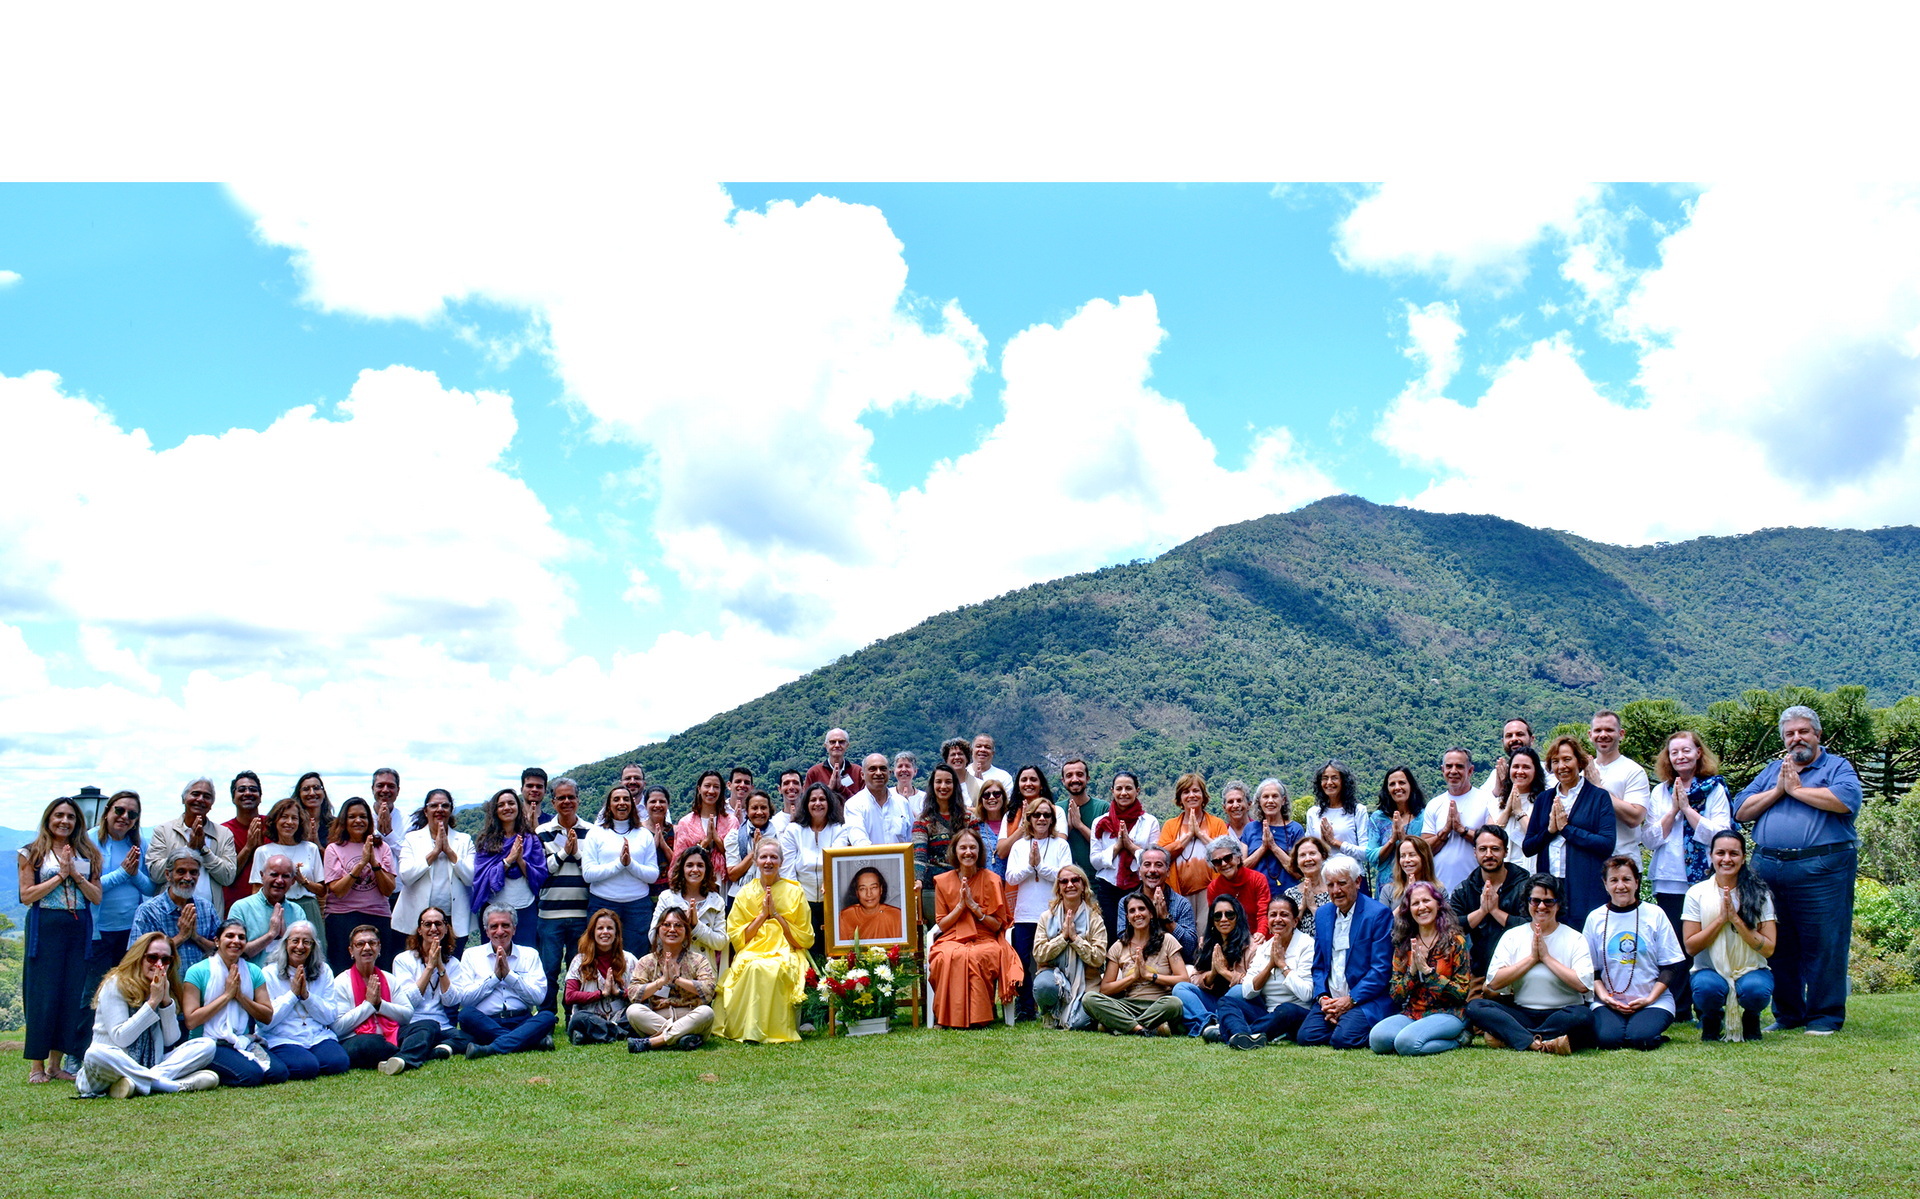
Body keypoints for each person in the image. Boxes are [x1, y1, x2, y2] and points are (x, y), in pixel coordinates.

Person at [1733, 704, 1859, 1035]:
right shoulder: (1774, 770)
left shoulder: (1836, 767)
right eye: (1790, 733)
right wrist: (1779, 789)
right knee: (1779, 943)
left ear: (1818, 735)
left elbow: (1846, 800)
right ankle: (1788, 1014)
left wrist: (1798, 791)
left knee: (1824, 943)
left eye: (1803, 731)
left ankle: (1824, 1016)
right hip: (1769, 869)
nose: (1796, 738)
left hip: (1822, 870)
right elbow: (1741, 809)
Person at [1643, 730, 1731, 1021]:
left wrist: (1688, 810)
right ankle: (1679, 1008)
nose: (1680, 756)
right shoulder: (1660, 791)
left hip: (1705, 878)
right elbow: (1650, 838)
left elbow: (1721, 835)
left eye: (1686, 750)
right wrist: (1672, 811)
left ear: (1698, 753)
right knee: (1675, 946)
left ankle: (1708, 1006)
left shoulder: (1714, 788)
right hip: (1669, 879)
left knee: (1705, 943)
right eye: (1674, 752)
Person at [18, 796, 103, 1083]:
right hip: (46, 926)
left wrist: (76, 875)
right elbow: (26, 895)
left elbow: (96, 896)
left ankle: (56, 1065)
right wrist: (59, 876)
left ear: (78, 822)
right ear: (48, 819)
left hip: (78, 927)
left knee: (70, 993)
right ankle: (37, 1066)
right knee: (43, 994)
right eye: (59, 815)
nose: (64, 821)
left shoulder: (88, 854)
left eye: (70, 816)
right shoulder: (32, 852)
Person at [75, 932, 219, 1097]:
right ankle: (169, 1085)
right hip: (109, 1069)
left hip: (150, 1064)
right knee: (95, 1053)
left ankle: (136, 1082)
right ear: (139, 958)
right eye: (152, 958)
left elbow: (171, 1039)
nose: (159, 965)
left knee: (207, 1045)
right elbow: (121, 1038)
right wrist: (152, 1003)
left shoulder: (163, 985)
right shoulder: (115, 984)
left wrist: (165, 1001)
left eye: (166, 960)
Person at [1465, 874, 1594, 1054]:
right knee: (1475, 1007)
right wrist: (1532, 959)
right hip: (1522, 1013)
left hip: (1562, 1013)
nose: (1541, 907)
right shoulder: (1513, 936)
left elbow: (1583, 985)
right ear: (1527, 903)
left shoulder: (1574, 938)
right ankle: (1542, 1042)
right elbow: (1493, 982)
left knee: (1584, 1016)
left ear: (1558, 904)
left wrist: (1546, 958)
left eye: (1548, 901)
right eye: (1535, 901)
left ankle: (1518, 1038)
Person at [80, 790, 156, 1063]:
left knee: (127, 990)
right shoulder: (88, 841)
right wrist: (124, 873)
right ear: (107, 811)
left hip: (129, 932)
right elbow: (89, 887)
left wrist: (132, 874)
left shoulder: (139, 844)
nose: (125, 817)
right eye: (120, 811)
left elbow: (149, 887)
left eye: (132, 814)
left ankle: (125, 1050)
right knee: (92, 992)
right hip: (98, 931)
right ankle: (80, 1052)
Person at [713, 839, 814, 1043]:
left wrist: (775, 914)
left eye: (774, 857)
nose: (768, 861)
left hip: (785, 949)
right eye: (764, 857)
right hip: (753, 949)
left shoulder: (795, 892)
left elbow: (804, 938)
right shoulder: (745, 893)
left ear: (781, 862)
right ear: (756, 861)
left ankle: (771, 1030)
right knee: (753, 967)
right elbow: (738, 938)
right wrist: (762, 915)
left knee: (772, 968)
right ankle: (748, 1029)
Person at [1683, 829, 1779, 1042]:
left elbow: (1768, 949)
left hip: (1751, 970)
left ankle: (1751, 1018)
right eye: (1720, 853)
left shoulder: (1759, 894)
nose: (1726, 859)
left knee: (1756, 991)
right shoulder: (1696, 893)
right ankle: (1711, 1018)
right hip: (1710, 970)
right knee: (1706, 989)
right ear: (1711, 856)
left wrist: (1736, 920)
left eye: (1733, 853)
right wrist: (1720, 920)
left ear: (1743, 858)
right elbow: (1691, 947)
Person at [1584, 856, 1687, 1051]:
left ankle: (1642, 1029)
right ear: (1605, 884)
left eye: (1627, 879)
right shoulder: (1595, 918)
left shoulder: (1655, 914)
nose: (1621, 886)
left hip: (1653, 1000)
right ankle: (1621, 1027)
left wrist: (1649, 999)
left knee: (1641, 1039)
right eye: (1614, 880)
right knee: (1608, 1040)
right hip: (1608, 1001)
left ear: (1637, 882)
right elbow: (1591, 969)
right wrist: (1605, 997)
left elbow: (1671, 967)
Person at [1297, 855, 1394, 1049]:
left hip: (1364, 999)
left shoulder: (1378, 914)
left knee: (1343, 1040)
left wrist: (1350, 1000)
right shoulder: (1323, 914)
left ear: (1357, 882)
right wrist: (1323, 998)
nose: (1336, 891)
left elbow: (1381, 969)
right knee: (1306, 1036)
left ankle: (1354, 1027)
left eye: (1342, 883)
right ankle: (1342, 1022)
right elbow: (1318, 966)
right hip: (1331, 999)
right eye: (1330, 885)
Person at [927, 826, 1020, 1029]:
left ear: (979, 851)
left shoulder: (992, 880)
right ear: (955, 851)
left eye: (972, 847)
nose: (968, 852)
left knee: (976, 955)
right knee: (945, 956)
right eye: (963, 848)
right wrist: (961, 906)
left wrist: (975, 909)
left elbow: (997, 924)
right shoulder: (943, 881)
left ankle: (980, 1017)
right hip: (951, 937)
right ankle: (946, 1017)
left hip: (985, 937)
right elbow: (942, 924)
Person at [1369, 881, 1472, 1055]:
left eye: (1426, 901)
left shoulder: (1455, 941)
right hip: (1413, 1012)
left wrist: (1428, 973)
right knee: (1378, 1039)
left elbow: (1461, 993)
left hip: (1449, 1013)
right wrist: (1412, 973)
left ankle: (1459, 1039)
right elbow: (1396, 995)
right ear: (1408, 910)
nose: (1422, 907)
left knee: (1406, 1044)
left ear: (1438, 904)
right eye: (1415, 903)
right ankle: (1417, 1034)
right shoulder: (1404, 943)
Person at [1523, 735, 1617, 926]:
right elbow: (1528, 847)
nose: (1561, 766)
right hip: (1550, 889)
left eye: (1567, 759)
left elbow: (1607, 844)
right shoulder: (1544, 799)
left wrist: (1566, 829)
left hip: (1585, 887)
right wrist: (1550, 831)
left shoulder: (1599, 797)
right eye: (1555, 761)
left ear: (1579, 762)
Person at [181, 919, 287, 1086]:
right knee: (251, 1076)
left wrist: (240, 996)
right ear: (217, 941)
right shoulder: (197, 971)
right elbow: (191, 1021)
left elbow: (267, 1016)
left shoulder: (253, 971)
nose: (236, 941)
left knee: (278, 1073)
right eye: (230, 936)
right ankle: (201, 1066)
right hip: (209, 1042)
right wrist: (227, 995)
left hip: (242, 1039)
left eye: (241, 937)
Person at [455, 904, 557, 1058]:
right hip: (486, 1022)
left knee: (547, 1016)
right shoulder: (471, 955)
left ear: (514, 929)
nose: (500, 931)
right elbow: (465, 1000)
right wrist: (495, 978)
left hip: (521, 1020)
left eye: (505, 925)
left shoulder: (529, 955)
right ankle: (528, 1041)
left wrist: (510, 976)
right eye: (494, 926)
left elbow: (538, 998)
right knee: (465, 1015)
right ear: (486, 931)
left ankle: (490, 1049)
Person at [1215, 895, 1312, 1049]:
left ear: (1295, 921)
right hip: (1267, 1014)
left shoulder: (1307, 945)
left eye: (1284, 915)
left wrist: (1282, 965)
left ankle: (1234, 1033)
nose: (1278, 919)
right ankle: (1242, 1036)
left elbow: (1306, 994)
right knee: (1226, 1001)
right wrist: (1270, 966)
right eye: (1273, 915)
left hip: (1297, 1013)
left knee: (1286, 1010)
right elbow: (1247, 992)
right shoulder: (1264, 949)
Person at [1084, 893, 1187, 1035]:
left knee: (1175, 1004)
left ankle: (1120, 1025)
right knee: (1089, 999)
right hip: (1128, 1005)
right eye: (1132, 911)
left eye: (1141, 909)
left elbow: (1184, 979)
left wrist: (1149, 975)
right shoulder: (1119, 946)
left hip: (1158, 1004)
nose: (1137, 914)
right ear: (1127, 918)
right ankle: (1144, 1029)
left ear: (1151, 914)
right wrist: (1133, 977)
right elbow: (1105, 989)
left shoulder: (1167, 940)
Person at [383, 905, 471, 1073]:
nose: (433, 928)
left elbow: (451, 1001)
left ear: (446, 928)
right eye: (427, 924)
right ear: (419, 930)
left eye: (438, 924)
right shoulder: (403, 960)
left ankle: (438, 1051)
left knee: (468, 1038)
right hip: (413, 1025)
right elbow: (408, 1000)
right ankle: (404, 1060)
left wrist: (440, 966)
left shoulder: (453, 963)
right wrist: (430, 967)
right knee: (428, 1027)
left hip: (442, 1026)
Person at [1004, 799, 1070, 1020]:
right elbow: (1011, 877)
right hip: (1025, 914)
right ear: (1029, 819)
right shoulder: (1019, 846)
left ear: (1052, 820)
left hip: (1053, 913)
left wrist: (1040, 866)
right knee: (1022, 961)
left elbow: (1065, 876)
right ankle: (1026, 1007)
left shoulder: (1061, 845)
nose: (1041, 819)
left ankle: (1054, 1004)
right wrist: (1030, 866)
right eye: (1037, 815)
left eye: (1046, 815)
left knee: (1053, 959)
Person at [394, 789, 475, 960]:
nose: (440, 809)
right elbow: (406, 877)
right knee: (418, 964)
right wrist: (434, 852)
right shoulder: (412, 839)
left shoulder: (464, 840)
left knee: (451, 964)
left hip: (453, 919)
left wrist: (450, 852)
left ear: (451, 810)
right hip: (417, 918)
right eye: (434, 806)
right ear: (426, 811)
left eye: (445, 805)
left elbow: (470, 878)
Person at [535, 777, 594, 1011]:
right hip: (550, 914)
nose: (567, 801)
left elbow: (592, 872)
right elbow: (539, 872)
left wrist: (575, 853)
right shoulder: (542, 832)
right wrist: (562, 854)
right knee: (548, 969)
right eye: (561, 798)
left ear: (578, 800)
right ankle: (546, 1017)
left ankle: (573, 1016)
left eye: (571, 797)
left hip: (581, 913)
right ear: (553, 802)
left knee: (576, 970)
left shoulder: (591, 832)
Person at [260, 921, 347, 1081]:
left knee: (338, 1062)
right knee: (306, 1067)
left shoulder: (324, 971)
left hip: (316, 1036)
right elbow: (266, 1022)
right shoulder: (269, 973)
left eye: (306, 942)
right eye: (295, 941)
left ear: (313, 946)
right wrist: (293, 995)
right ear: (285, 943)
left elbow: (330, 1017)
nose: (300, 947)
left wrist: (307, 996)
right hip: (283, 1037)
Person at [1447, 825, 1532, 987]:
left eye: (1495, 849)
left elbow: (1532, 927)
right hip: (1480, 973)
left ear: (1506, 852)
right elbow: (1450, 928)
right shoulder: (1465, 889)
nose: (1488, 855)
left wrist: (1495, 911)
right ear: (1475, 852)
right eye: (1483, 849)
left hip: (1520, 972)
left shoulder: (1526, 886)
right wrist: (1482, 912)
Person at [625, 906, 717, 1052]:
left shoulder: (698, 960)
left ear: (686, 931)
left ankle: (655, 1041)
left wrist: (676, 979)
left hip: (690, 1016)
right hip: (658, 1018)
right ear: (658, 931)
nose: (672, 930)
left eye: (678, 925)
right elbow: (633, 994)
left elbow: (708, 990)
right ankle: (683, 1038)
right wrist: (661, 982)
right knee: (633, 1011)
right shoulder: (647, 961)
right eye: (666, 925)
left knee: (706, 1012)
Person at [322, 797, 397, 973]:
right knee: (343, 971)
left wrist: (374, 864)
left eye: (363, 816)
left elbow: (388, 889)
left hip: (377, 914)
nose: (358, 821)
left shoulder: (382, 848)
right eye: (352, 816)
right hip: (342, 916)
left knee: (380, 970)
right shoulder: (334, 849)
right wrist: (361, 864)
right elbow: (338, 890)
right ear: (344, 820)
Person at [144, 778, 237, 919]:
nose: (200, 799)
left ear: (211, 804)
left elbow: (228, 877)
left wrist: (204, 850)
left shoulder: (223, 834)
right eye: (195, 794)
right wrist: (188, 849)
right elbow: (156, 874)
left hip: (208, 916)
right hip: (169, 915)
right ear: (183, 799)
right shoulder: (163, 831)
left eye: (207, 796)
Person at [585, 785, 661, 957]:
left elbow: (652, 875)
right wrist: (619, 864)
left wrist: (630, 864)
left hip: (637, 906)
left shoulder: (644, 835)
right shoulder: (595, 833)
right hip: (603, 903)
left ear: (632, 805)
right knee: (600, 956)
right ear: (608, 805)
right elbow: (588, 874)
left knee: (636, 957)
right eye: (616, 799)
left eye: (626, 799)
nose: (621, 803)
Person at [326, 924, 414, 1070]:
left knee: (427, 1026)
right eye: (360, 944)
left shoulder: (389, 978)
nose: (367, 948)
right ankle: (410, 1054)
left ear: (379, 948)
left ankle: (399, 1059)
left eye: (372, 943)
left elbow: (407, 1015)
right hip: (357, 1038)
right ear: (351, 951)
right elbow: (338, 1028)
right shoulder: (341, 982)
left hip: (391, 1033)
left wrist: (380, 1005)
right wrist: (369, 1005)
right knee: (369, 1043)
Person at [1031, 864, 1108, 1030]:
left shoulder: (1095, 919)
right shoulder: (1046, 917)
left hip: (1087, 982)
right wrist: (1063, 938)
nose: (1070, 885)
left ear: (1083, 886)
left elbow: (1098, 958)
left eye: (1075, 880)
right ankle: (1050, 1013)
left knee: (1078, 1024)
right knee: (1043, 986)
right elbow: (1039, 954)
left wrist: (1075, 939)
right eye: (1064, 881)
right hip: (1054, 978)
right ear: (1058, 888)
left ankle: (1068, 1014)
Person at [252, 797, 327, 961]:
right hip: (275, 908)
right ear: (275, 821)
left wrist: (302, 880)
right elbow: (256, 889)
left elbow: (322, 890)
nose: (289, 822)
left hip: (307, 906)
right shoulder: (263, 851)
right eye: (284, 817)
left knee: (312, 957)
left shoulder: (310, 848)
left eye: (294, 818)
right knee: (274, 957)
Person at [472, 788, 547, 949]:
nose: (507, 807)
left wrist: (520, 860)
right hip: (493, 909)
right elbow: (482, 876)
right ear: (495, 810)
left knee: (525, 955)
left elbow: (540, 875)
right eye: (501, 805)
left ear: (518, 807)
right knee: (493, 956)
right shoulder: (486, 842)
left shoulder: (531, 839)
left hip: (525, 907)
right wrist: (508, 860)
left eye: (511, 803)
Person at [782, 782, 850, 952]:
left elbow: (836, 860)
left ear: (829, 803)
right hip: (802, 900)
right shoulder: (793, 830)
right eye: (813, 800)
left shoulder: (840, 829)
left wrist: (829, 886)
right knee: (807, 948)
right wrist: (797, 900)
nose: (817, 803)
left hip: (833, 899)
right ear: (806, 804)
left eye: (822, 799)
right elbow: (787, 870)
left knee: (832, 950)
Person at [130, 849, 221, 975]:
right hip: (164, 983)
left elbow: (220, 949)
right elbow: (136, 956)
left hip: (203, 983)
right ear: (168, 875)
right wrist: (181, 936)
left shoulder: (206, 907)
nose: (188, 878)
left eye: (193, 872)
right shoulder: (149, 911)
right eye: (181, 872)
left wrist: (196, 937)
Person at [1175, 894, 1253, 1037]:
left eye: (1229, 914)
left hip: (1237, 1004)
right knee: (1180, 988)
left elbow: (1252, 984)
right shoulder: (1207, 944)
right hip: (1212, 1002)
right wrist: (1212, 974)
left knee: (1238, 990)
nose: (1223, 919)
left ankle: (1211, 1022)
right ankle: (1208, 1024)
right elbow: (1194, 978)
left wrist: (1224, 972)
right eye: (1217, 916)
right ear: (1212, 921)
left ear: (1238, 917)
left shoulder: (1251, 946)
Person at [562, 909, 641, 1044]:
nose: (605, 932)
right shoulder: (580, 961)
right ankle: (619, 1033)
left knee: (639, 1011)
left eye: (609, 928)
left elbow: (640, 993)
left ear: (616, 933)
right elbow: (569, 996)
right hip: (590, 1017)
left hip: (621, 1017)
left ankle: (592, 1035)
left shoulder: (630, 959)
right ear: (592, 932)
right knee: (578, 1018)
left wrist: (619, 992)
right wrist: (601, 994)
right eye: (600, 928)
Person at [651, 845, 730, 979]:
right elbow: (653, 936)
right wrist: (681, 925)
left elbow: (721, 943)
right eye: (689, 865)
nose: (695, 870)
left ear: (706, 870)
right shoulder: (667, 898)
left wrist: (696, 926)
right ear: (682, 869)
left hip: (703, 973)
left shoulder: (716, 901)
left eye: (700, 865)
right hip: (669, 970)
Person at [1157, 773, 1229, 910]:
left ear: (1203, 795)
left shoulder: (1217, 823)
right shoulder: (1170, 825)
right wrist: (1189, 835)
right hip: (1177, 894)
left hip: (1210, 892)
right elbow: (1161, 856)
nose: (1191, 795)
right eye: (1186, 792)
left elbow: (1226, 855)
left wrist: (1200, 834)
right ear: (1180, 798)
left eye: (1196, 791)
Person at [1423, 749, 1492, 892]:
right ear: (1443, 770)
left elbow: (1492, 843)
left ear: (1470, 770)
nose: (1453, 771)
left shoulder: (1486, 801)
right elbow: (1424, 850)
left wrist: (1462, 830)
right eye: (1449, 766)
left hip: (1476, 888)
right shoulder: (1434, 804)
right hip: (1440, 889)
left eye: (1459, 766)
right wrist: (1445, 831)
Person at [909, 766, 968, 926]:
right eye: (938, 782)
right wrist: (918, 880)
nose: (943, 786)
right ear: (932, 785)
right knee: (938, 931)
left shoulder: (968, 819)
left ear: (955, 786)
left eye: (948, 782)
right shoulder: (923, 821)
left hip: (964, 884)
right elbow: (919, 853)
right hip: (933, 886)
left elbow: (977, 852)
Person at [1589, 710, 1651, 856]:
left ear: (1621, 734)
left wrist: (1598, 788)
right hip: (1589, 858)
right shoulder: (1583, 771)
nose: (1603, 735)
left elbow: (1635, 818)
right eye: (1598, 730)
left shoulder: (1633, 771)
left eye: (1609, 730)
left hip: (1623, 859)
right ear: (1590, 735)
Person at [1127, 846, 1198, 962]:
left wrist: (1166, 918)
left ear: (1168, 871)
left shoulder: (1182, 904)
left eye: (1158, 865)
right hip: (1136, 961)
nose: (1152, 870)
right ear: (1139, 871)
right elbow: (1123, 941)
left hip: (1174, 963)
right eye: (1147, 865)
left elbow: (1190, 947)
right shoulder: (1127, 903)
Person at [228, 854, 300, 964]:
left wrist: (285, 936)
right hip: (251, 974)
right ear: (262, 876)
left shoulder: (297, 911)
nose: (279, 880)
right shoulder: (241, 908)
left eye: (285, 876)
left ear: (293, 881)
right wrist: (271, 935)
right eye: (274, 875)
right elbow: (233, 953)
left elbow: (304, 954)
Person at [1367, 767, 1427, 897]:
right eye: (1392, 784)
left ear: (1411, 786)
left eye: (1402, 782)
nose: (1397, 787)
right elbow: (1372, 856)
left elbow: (1427, 853)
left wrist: (1404, 837)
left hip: (1419, 884)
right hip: (1386, 888)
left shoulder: (1423, 816)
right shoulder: (1378, 818)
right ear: (1387, 790)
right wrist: (1393, 839)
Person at [1302, 760, 1370, 868]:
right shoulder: (1313, 813)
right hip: (1322, 875)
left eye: (1334, 778)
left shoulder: (1358, 811)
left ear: (1344, 781)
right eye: (1325, 778)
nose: (1329, 782)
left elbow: (1366, 853)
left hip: (1351, 874)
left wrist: (1335, 842)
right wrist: (1322, 845)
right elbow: (1308, 850)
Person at [1241, 779, 1303, 891]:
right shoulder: (1250, 828)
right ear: (1259, 801)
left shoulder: (1295, 829)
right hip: (1256, 894)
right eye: (1265, 797)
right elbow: (1241, 869)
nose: (1270, 801)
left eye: (1275, 796)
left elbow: (1299, 873)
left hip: (1289, 896)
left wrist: (1273, 846)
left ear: (1283, 800)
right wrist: (1263, 847)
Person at [1489, 746, 1544, 875]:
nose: (1520, 771)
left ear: (1535, 771)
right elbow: (1490, 838)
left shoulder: (1544, 801)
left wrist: (1519, 812)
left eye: (1526, 767)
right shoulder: (1496, 803)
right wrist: (1507, 810)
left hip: (1532, 873)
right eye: (1515, 767)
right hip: (1502, 874)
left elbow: (1539, 837)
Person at [1204, 834, 1271, 938]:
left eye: (1228, 858)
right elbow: (1216, 919)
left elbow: (1263, 912)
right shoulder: (1213, 887)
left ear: (1238, 858)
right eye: (1217, 861)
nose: (1224, 864)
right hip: (1230, 939)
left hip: (1257, 936)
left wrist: (1260, 933)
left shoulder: (1257, 879)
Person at [845, 752, 915, 848]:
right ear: (862, 775)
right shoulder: (853, 805)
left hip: (902, 858)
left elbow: (912, 840)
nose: (878, 773)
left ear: (889, 773)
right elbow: (859, 841)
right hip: (868, 857)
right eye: (872, 769)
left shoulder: (902, 803)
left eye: (883, 769)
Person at [673, 771, 736, 875]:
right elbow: (680, 860)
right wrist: (706, 841)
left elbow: (736, 859)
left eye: (716, 787)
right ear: (699, 789)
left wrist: (717, 840)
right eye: (707, 786)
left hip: (725, 880)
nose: (711, 791)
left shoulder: (731, 821)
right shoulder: (686, 823)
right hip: (695, 878)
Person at [222, 771, 267, 915]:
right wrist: (248, 847)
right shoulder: (223, 831)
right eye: (241, 790)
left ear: (260, 797)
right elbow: (226, 876)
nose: (247, 793)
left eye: (253, 789)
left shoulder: (274, 825)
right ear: (233, 798)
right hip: (234, 908)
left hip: (270, 907)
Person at [725, 791, 783, 901]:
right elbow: (733, 875)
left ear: (769, 811)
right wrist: (754, 851)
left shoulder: (779, 837)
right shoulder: (735, 836)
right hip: (740, 897)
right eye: (754, 808)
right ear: (747, 811)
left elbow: (783, 870)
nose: (759, 812)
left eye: (763, 808)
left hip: (774, 895)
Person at [1058, 757, 1107, 886]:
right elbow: (1052, 846)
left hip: (1098, 882)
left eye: (1079, 774)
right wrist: (1068, 827)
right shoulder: (1056, 810)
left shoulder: (1103, 808)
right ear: (1063, 781)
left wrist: (1079, 825)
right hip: (1066, 884)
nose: (1075, 779)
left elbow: (1106, 847)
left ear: (1087, 778)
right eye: (1069, 775)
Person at [1283, 836, 1333, 938]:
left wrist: (1313, 906)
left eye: (1312, 853)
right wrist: (1302, 907)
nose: (1308, 859)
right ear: (1297, 862)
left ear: (1323, 856)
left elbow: (1337, 927)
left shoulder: (1334, 890)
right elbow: (1285, 931)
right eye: (1302, 855)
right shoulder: (1290, 894)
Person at [838, 865, 906, 941]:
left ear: (881, 889)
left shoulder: (897, 916)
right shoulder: (845, 916)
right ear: (857, 892)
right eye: (863, 889)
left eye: (873, 887)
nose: (869, 894)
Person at [972, 778, 1015, 879]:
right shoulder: (975, 826)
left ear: (1003, 797)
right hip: (984, 882)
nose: (991, 798)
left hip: (1011, 882)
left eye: (996, 794)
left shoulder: (1013, 824)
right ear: (981, 800)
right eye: (986, 795)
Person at [1379, 834, 1438, 909]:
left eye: (1412, 855)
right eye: (1402, 856)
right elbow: (1385, 917)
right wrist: (1408, 895)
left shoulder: (1438, 890)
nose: (1406, 860)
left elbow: (1445, 916)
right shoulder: (1388, 890)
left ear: (1424, 858)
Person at [806, 728, 865, 801]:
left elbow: (864, 802)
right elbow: (807, 802)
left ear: (847, 745)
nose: (837, 745)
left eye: (841, 742)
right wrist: (829, 788)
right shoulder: (814, 773)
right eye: (832, 742)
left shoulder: (858, 772)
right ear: (826, 746)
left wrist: (841, 788)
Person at [964, 733, 1014, 809]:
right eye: (978, 746)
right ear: (972, 751)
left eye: (987, 747)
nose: (982, 750)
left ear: (992, 753)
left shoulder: (1004, 777)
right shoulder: (961, 774)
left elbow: (1007, 806)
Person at [891, 751, 925, 817]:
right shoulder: (887, 795)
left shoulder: (924, 798)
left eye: (907, 766)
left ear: (915, 771)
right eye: (900, 766)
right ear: (894, 771)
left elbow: (926, 822)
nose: (903, 770)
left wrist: (907, 805)